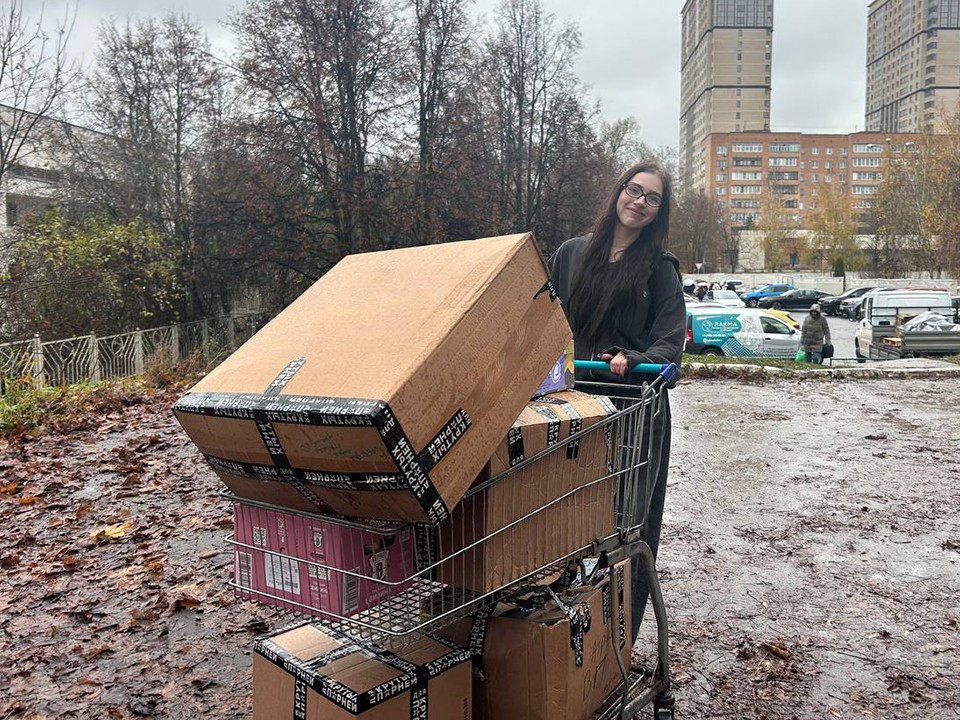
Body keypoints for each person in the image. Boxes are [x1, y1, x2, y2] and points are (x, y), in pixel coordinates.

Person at [547, 160, 685, 648]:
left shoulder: (660, 269)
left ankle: (617, 641)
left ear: (660, 211)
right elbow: (548, 322)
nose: (640, 202)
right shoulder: (572, 254)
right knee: (563, 523)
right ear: (619, 192)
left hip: (633, 411)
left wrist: (636, 358)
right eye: (635, 190)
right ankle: (563, 639)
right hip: (576, 408)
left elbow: (670, 342)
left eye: (653, 198)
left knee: (628, 530)